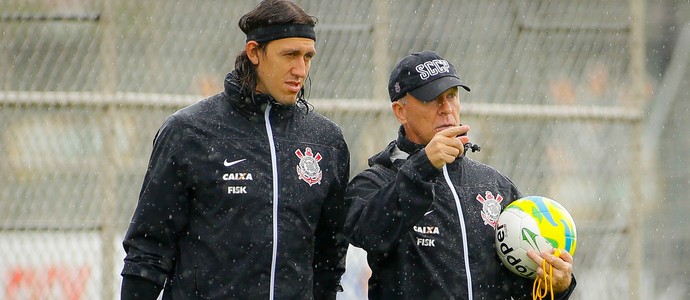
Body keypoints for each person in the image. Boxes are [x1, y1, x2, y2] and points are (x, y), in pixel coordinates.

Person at [120, 1, 351, 299]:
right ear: (254, 52)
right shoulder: (189, 132)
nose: (301, 69)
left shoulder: (326, 140)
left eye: (308, 56)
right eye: (289, 55)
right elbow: (148, 250)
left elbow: (329, 258)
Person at [344, 50, 576, 299]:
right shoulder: (375, 181)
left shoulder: (495, 186)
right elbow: (367, 234)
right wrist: (423, 167)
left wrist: (556, 287)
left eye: (451, 96)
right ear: (401, 111)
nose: (446, 109)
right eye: (431, 99)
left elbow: (520, 289)